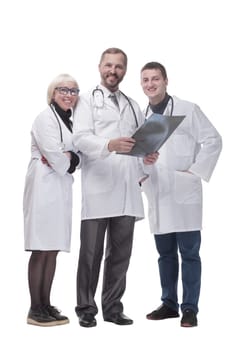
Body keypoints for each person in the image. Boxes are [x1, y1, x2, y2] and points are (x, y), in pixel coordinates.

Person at [72, 48, 158, 328]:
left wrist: (148, 155)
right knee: (91, 253)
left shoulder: (133, 105)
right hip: (99, 187)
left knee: (121, 254)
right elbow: (80, 139)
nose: (113, 71)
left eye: (119, 67)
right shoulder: (86, 101)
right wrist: (109, 144)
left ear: (125, 70)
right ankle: (86, 308)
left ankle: (113, 307)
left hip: (127, 189)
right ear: (100, 67)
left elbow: (141, 143)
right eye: (109, 65)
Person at [140, 62, 222, 327]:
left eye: (155, 79)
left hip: (184, 191)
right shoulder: (142, 118)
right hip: (158, 192)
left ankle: (190, 308)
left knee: (189, 253)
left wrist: (195, 171)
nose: (150, 84)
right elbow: (138, 156)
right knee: (164, 254)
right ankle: (168, 304)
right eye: (145, 80)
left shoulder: (188, 109)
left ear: (166, 81)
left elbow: (213, 140)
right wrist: (143, 171)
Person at [23, 74, 81, 326]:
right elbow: (57, 159)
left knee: (52, 248)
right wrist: (67, 158)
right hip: (44, 187)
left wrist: (71, 157)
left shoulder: (70, 121)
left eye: (73, 90)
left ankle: (46, 304)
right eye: (63, 89)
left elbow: (79, 155)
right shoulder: (45, 118)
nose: (69, 94)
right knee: (41, 247)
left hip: (59, 189)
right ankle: (35, 308)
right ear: (52, 93)